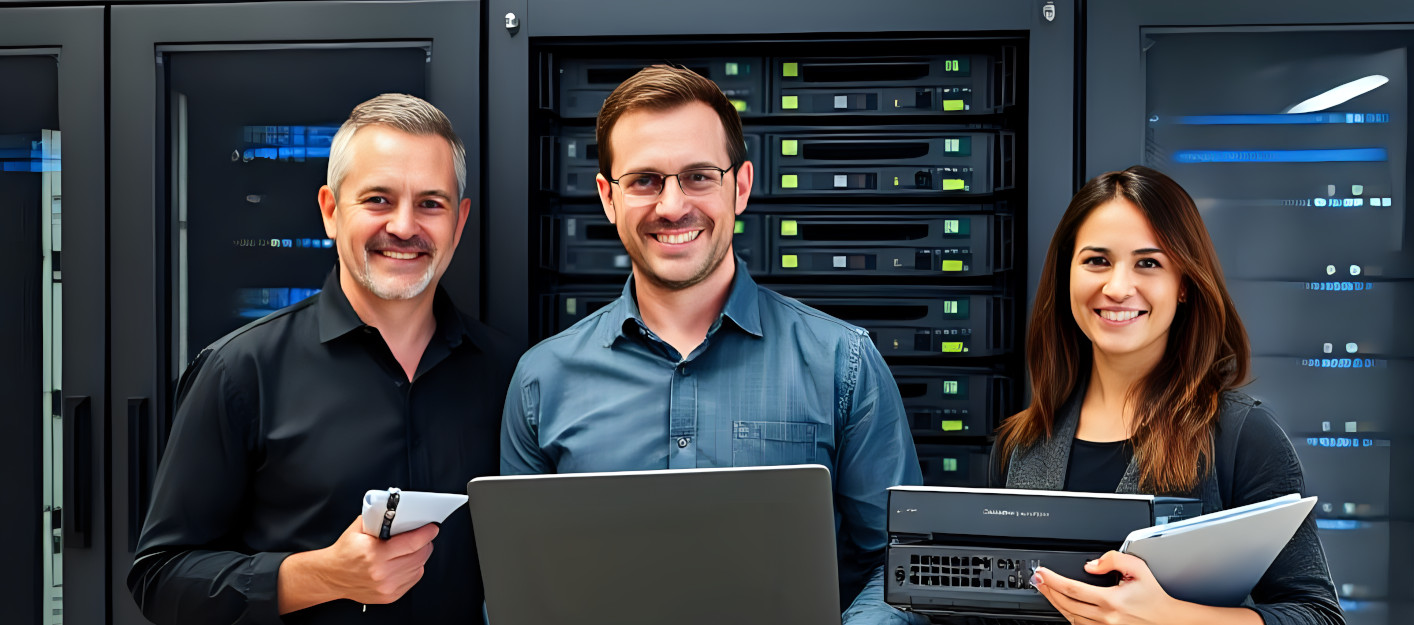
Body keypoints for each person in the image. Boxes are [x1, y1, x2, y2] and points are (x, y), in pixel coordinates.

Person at [500, 65, 924, 624]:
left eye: (699, 176)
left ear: (740, 186)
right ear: (607, 197)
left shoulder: (842, 364)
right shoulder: (541, 381)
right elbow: (518, 585)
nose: (673, 206)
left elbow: (904, 564)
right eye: (645, 180)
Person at [128, 93, 519, 624]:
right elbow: (160, 578)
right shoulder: (240, 372)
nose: (404, 227)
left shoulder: (509, 373)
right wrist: (321, 575)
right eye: (378, 200)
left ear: (460, 220)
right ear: (331, 212)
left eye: (431, 203)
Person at [989, 166, 1344, 625]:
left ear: (1184, 285)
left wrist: (1172, 618)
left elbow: (1318, 617)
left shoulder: (1242, 437)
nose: (1117, 287)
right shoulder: (1019, 444)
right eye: (1097, 261)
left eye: (1148, 263)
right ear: (1066, 278)